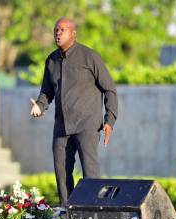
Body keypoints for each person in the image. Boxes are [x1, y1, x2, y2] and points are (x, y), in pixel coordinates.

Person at [30, 17, 118, 207]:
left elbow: (109, 89)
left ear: (73, 34)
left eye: (62, 30)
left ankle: (94, 213)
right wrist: (39, 106)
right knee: (62, 174)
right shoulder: (51, 60)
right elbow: (47, 91)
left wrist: (109, 120)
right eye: (56, 30)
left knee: (90, 173)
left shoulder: (90, 57)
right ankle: (66, 214)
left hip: (87, 125)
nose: (58, 33)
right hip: (61, 127)